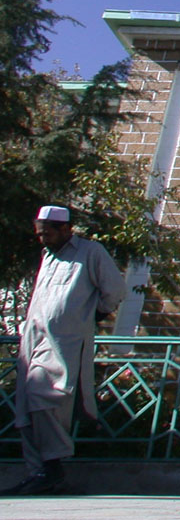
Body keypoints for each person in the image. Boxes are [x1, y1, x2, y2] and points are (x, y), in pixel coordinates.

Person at [4, 205, 126, 496]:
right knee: (26, 408)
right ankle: (38, 472)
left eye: (48, 233)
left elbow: (115, 291)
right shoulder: (48, 256)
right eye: (39, 234)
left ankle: (53, 464)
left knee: (45, 396)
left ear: (66, 229)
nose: (43, 239)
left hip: (64, 344)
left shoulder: (90, 252)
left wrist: (91, 317)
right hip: (33, 341)